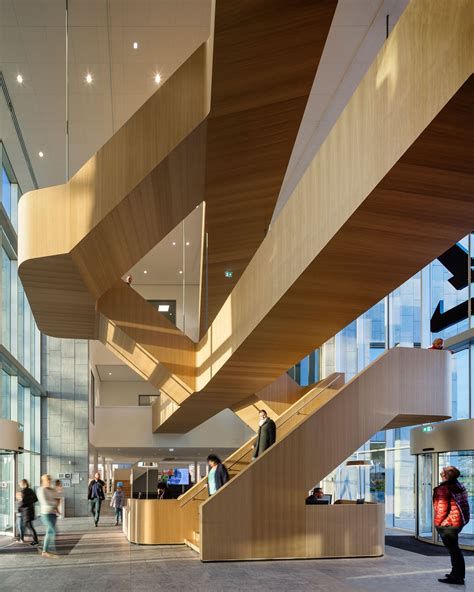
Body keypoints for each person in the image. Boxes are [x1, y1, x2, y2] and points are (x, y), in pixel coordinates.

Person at [433, 465, 470, 586]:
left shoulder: (443, 489)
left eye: (443, 471)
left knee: (454, 551)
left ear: (445, 475)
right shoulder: (459, 486)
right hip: (458, 523)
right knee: (455, 550)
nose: (441, 472)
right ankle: (456, 573)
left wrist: (438, 523)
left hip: (448, 525)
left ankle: (457, 577)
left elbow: (441, 509)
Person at [37, 474, 59, 558]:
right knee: (52, 531)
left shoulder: (51, 490)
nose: (49, 481)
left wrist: (56, 493)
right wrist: (55, 503)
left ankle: (45, 549)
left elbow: (57, 497)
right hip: (45, 514)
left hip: (53, 513)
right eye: (47, 480)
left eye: (50, 480)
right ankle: (44, 550)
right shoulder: (40, 490)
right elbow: (46, 502)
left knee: (50, 532)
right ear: (43, 481)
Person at [17, 479, 39, 545]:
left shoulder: (23, 492)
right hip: (31, 510)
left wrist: (19, 508)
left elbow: (22, 503)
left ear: (23, 484)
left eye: (20, 484)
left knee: (29, 526)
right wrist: (29, 502)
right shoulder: (30, 490)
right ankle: (21, 538)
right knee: (28, 525)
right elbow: (35, 499)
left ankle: (35, 541)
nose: (19, 485)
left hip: (26, 512)